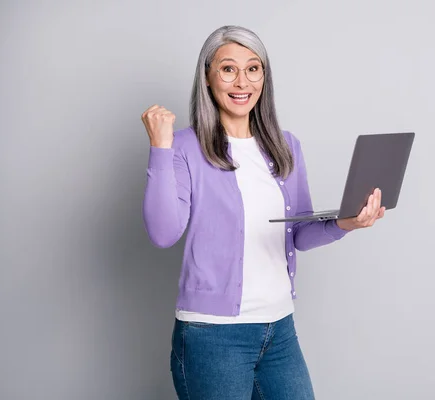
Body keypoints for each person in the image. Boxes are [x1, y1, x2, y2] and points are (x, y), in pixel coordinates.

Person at [141, 25, 385, 400]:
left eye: (253, 68)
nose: (242, 81)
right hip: (214, 335)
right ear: (207, 76)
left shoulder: (285, 145)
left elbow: (299, 233)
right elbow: (163, 233)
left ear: (264, 77)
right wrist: (160, 147)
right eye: (228, 69)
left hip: (279, 328)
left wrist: (346, 223)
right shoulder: (186, 147)